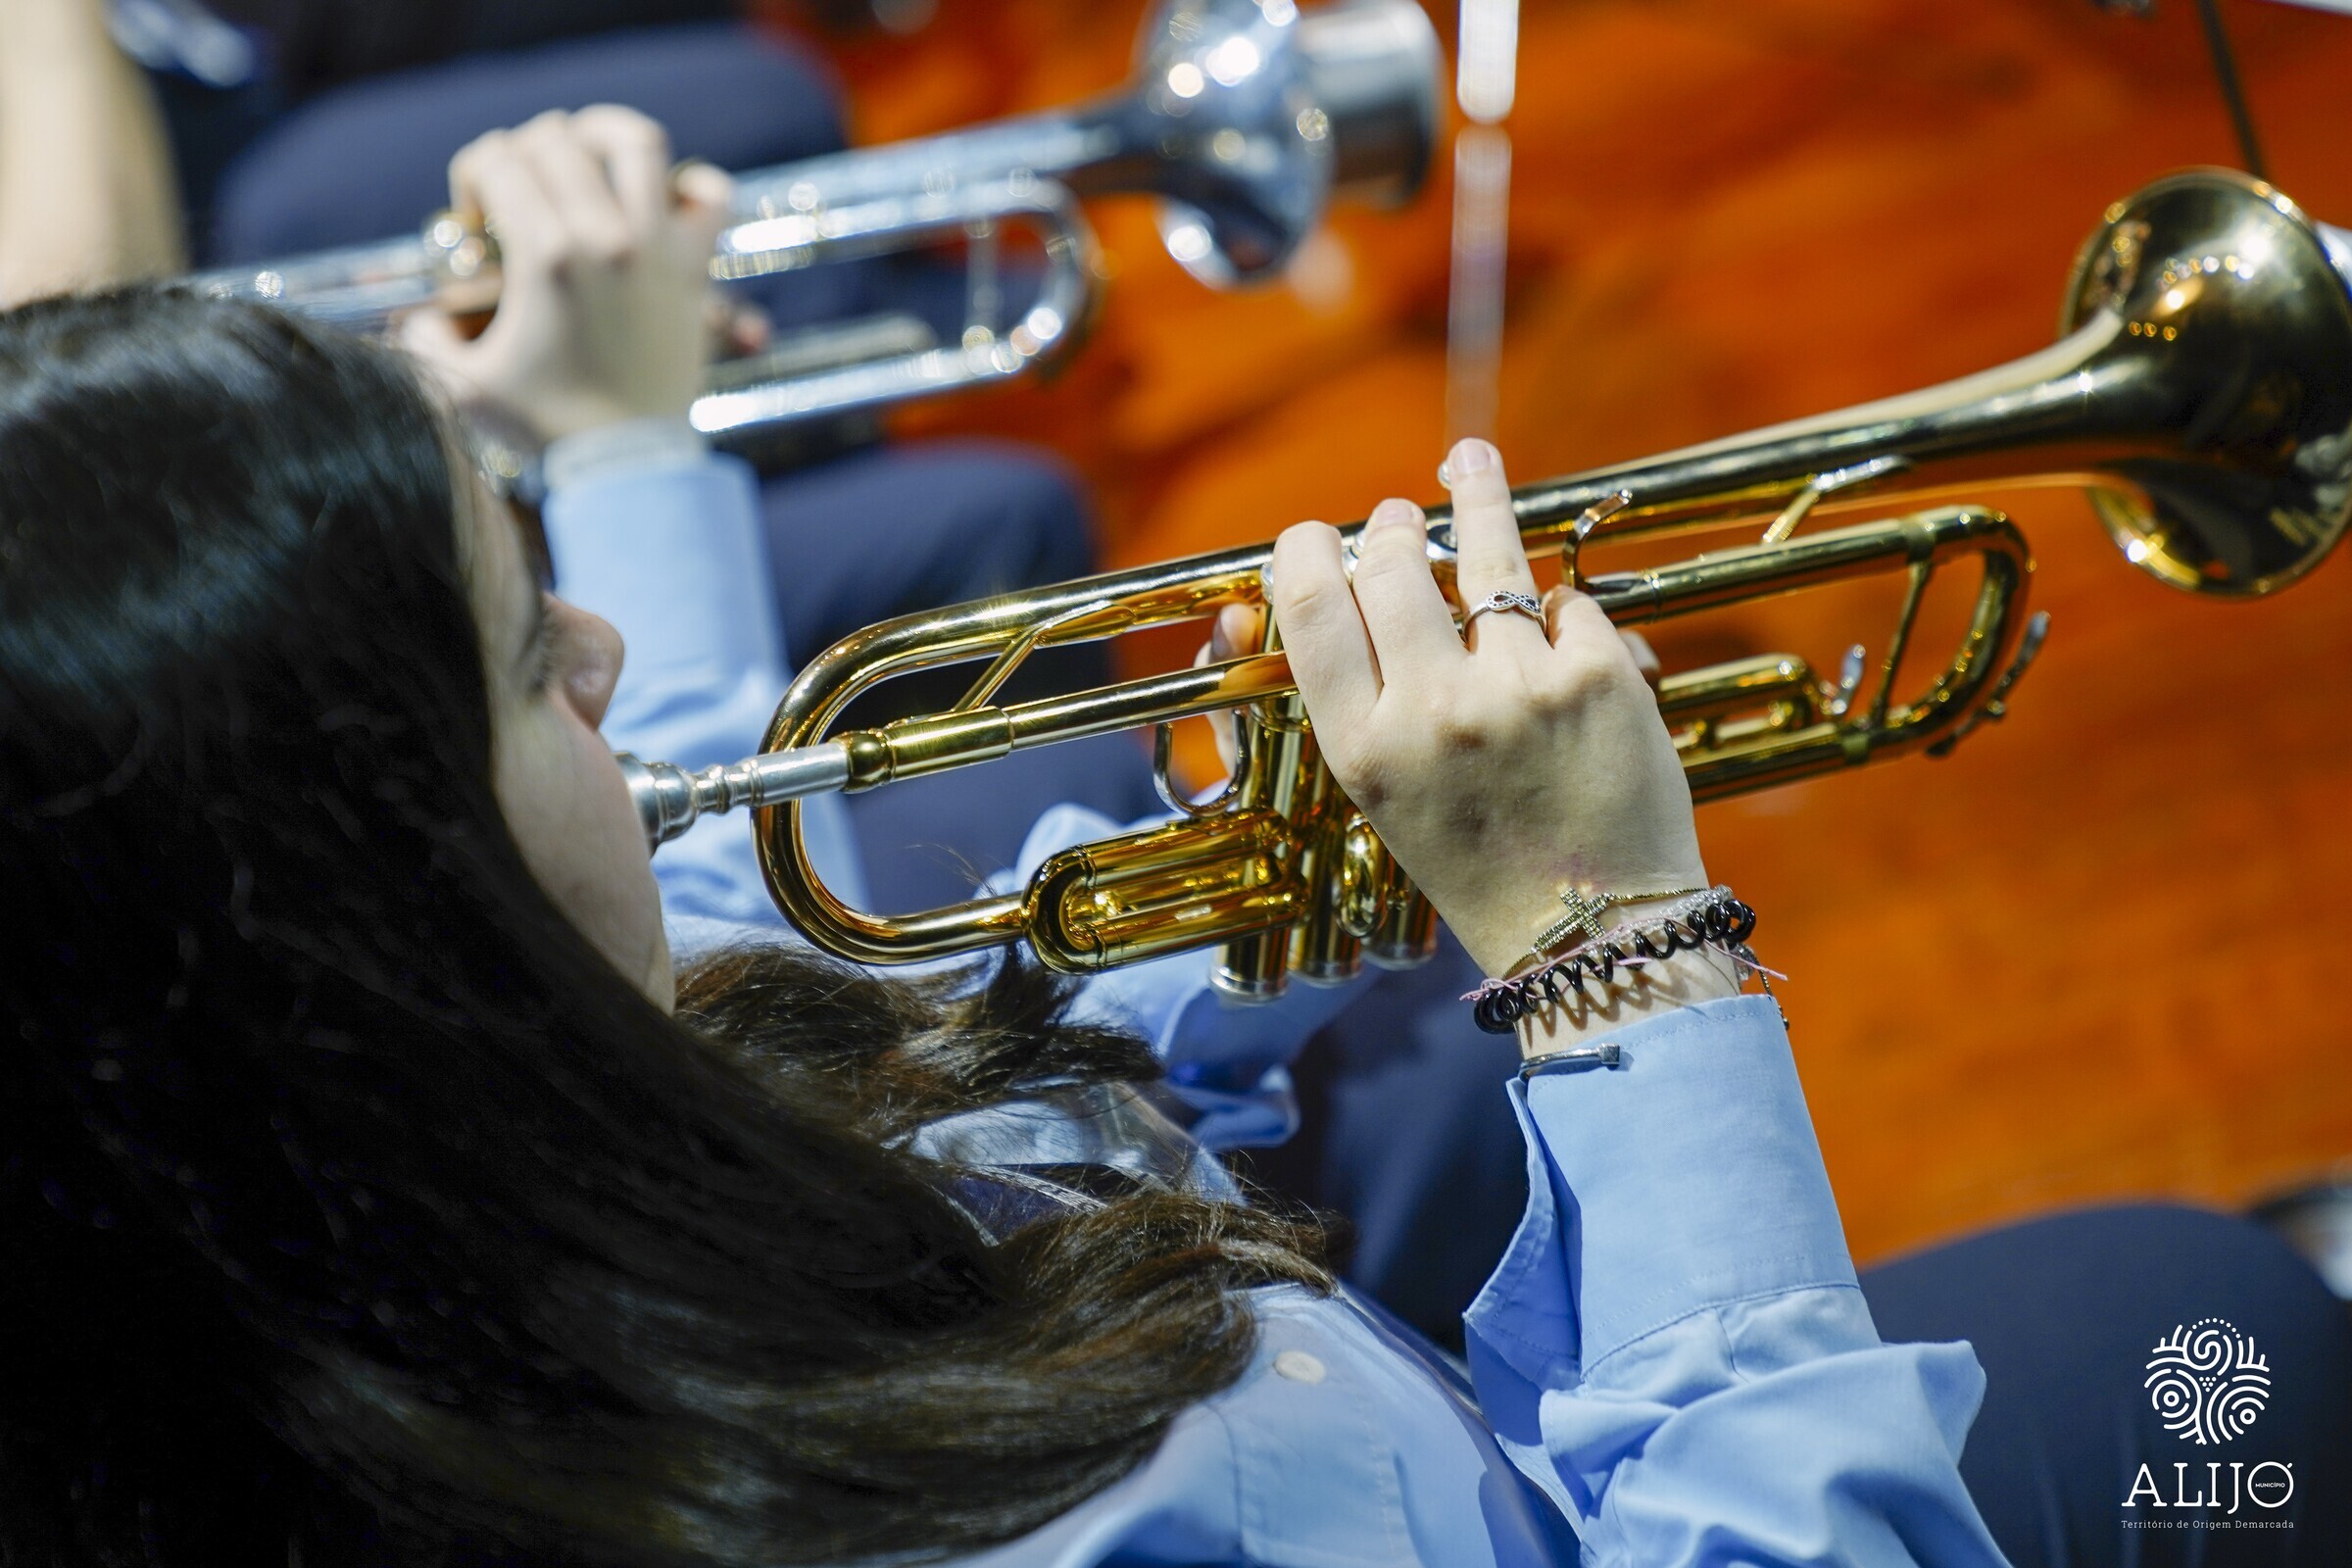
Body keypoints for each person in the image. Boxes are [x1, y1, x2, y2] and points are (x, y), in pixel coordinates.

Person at [0, 107, 2016, 1566]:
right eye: (532, 657)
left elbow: (712, 936)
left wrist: (1243, 857)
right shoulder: (1085, 1519)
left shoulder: (391, 1190)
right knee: (2183, 1315)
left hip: (1365, 1389)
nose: (599, 647)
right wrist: (1618, 947)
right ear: (400, 918)